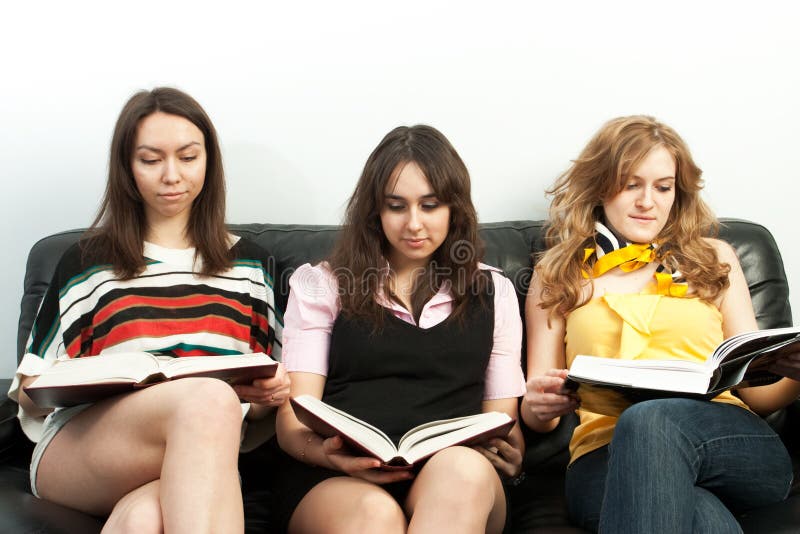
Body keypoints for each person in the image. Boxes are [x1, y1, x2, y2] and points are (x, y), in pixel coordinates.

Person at [7, 87, 290, 533]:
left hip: (202, 448)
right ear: (128, 168)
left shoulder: (251, 266)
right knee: (208, 397)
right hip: (84, 450)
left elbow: (260, 402)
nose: (171, 175)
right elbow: (29, 391)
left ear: (209, 163)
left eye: (188, 157)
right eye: (151, 159)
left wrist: (266, 398)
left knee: (143, 517)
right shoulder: (86, 263)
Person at [522, 115, 799, 533]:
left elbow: (756, 394)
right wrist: (539, 405)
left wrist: (794, 373)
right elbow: (536, 408)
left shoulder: (715, 257)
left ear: (677, 192)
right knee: (703, 518)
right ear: (600, 186)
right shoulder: (557, 273)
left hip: (728, 442)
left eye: (662, 187)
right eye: (630, 184)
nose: (647, 201)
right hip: (603, 457)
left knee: (650, 421)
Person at [271, 124, 527, 533]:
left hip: (456, 477)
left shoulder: (494, 291)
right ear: (374, 211)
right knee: (376, 516)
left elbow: (500, 421)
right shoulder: (323, 284)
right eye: (396, 206)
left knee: (461, 472)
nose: (414, 224)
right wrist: (330, 456)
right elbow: (293, 423)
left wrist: (508, 451)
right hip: (339, 478)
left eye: (430, 206)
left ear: (454, 209)